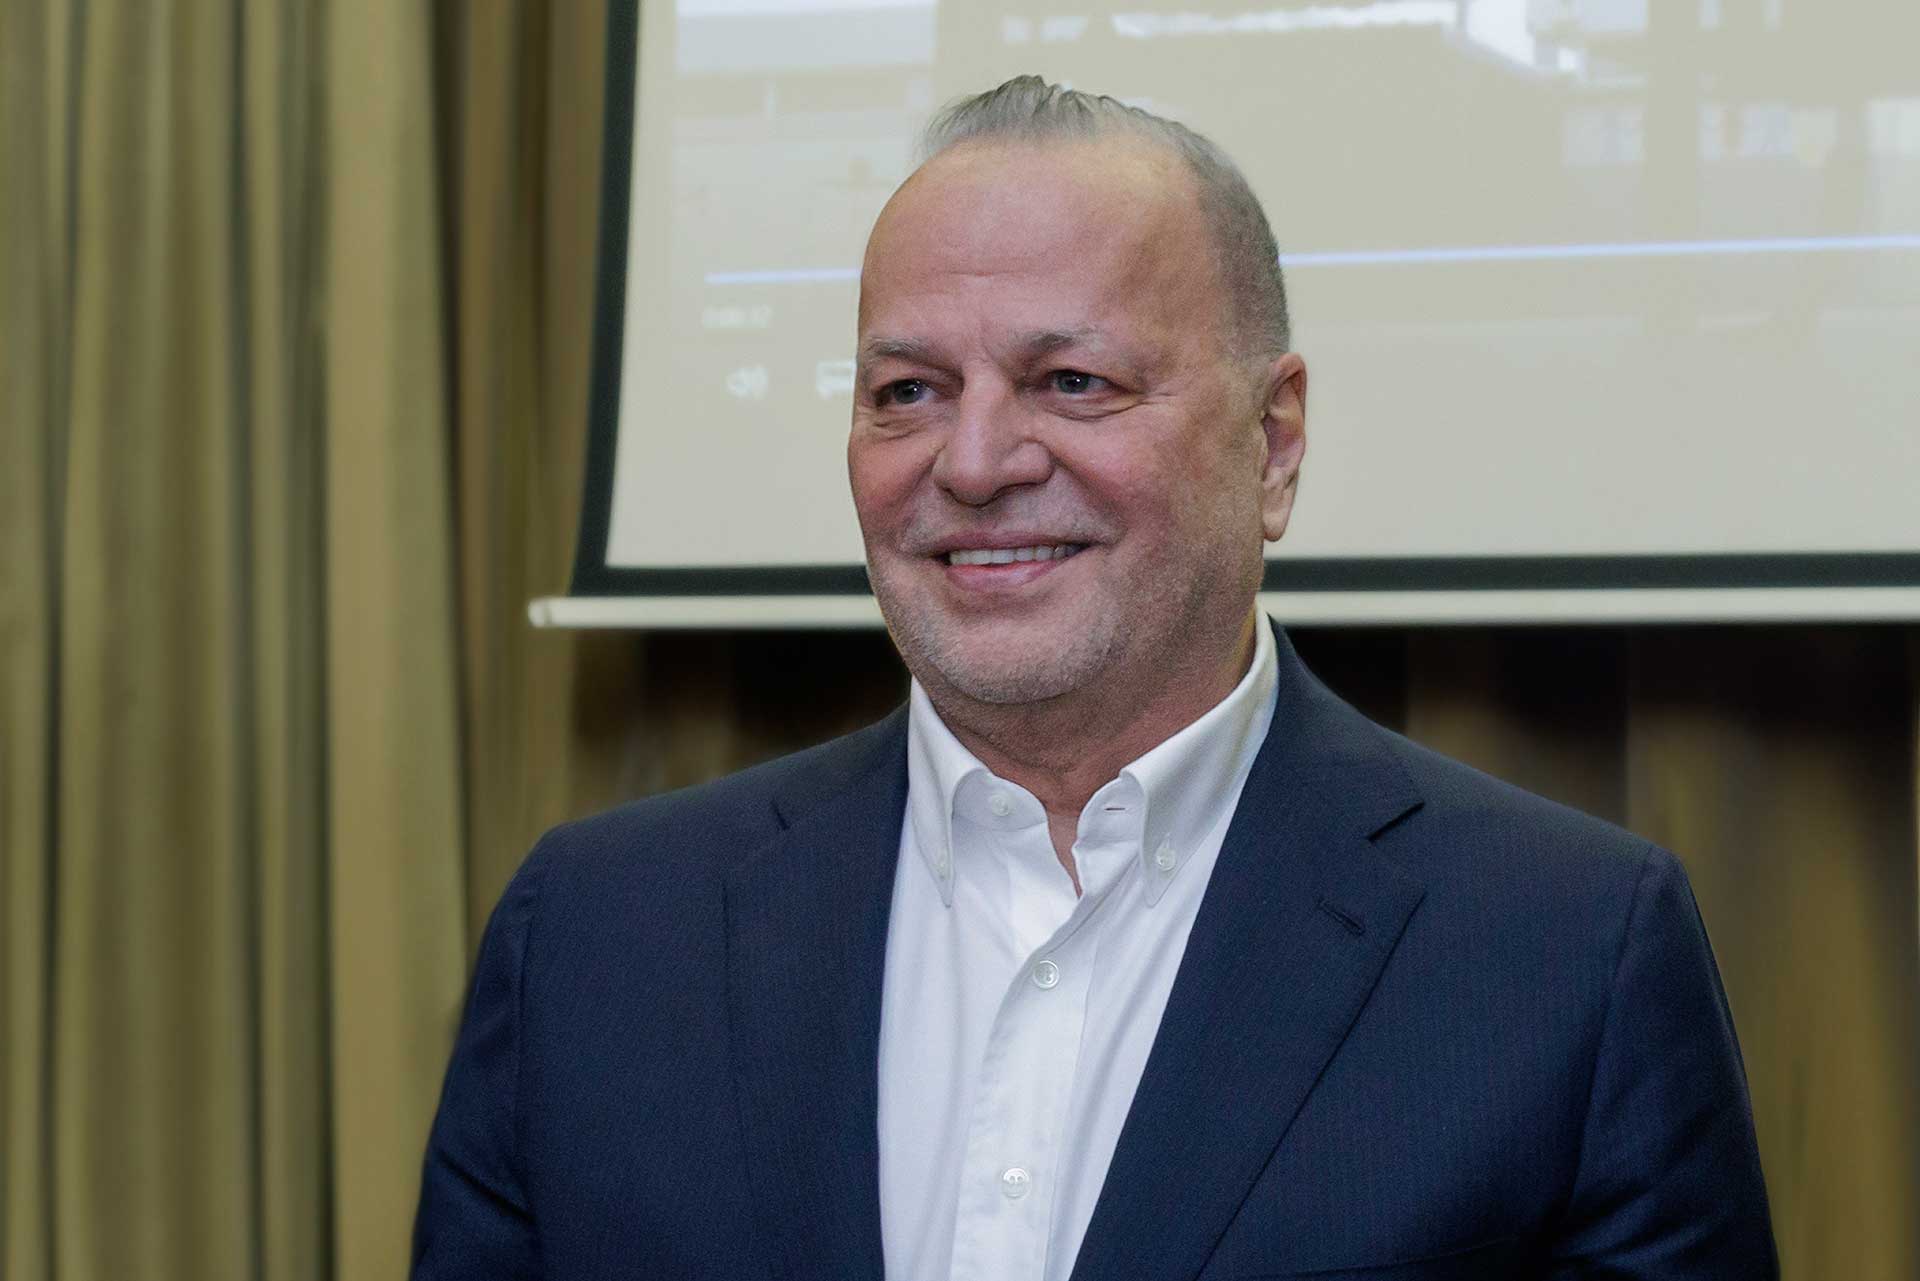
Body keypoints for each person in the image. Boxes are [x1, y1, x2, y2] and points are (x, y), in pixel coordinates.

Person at [412, 77, 1776, 1279]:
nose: (973, 463)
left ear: (1275, 442)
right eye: (907, 391)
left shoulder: (1568, 958)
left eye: (1071, 381)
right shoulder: (592, 940)